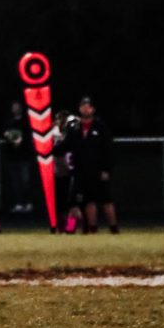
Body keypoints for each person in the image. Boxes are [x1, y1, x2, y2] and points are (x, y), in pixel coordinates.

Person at [57, 97, 119, 234]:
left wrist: (106, 169)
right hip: (79, 171)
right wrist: (47, 149)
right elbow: (64, 146)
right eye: (83, 106)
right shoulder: (74, 129)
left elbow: (108, 149)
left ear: (93, 109)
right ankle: (91, 228)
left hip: (97, 170)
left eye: (88, 106)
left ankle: (114, 228)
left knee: (106, 200)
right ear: (79, 109)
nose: (86, 108)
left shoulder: (100, 127)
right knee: (87, 201)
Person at [3, 101, 34, 212]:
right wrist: (11, 139)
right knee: (15, 183)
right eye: (14, 107)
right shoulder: (9, 122)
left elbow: (29, 136)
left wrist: (20, 141)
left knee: (26, 181)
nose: (16, 109)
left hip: (24, 157)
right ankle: (19, 203)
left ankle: (28, 203)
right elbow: (6, 134)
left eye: (18, 107)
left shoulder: (26, 121)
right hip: (13, 157)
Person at [53, 110, 79, 234]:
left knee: (73, 203)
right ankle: (62, 228)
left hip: (71, 172)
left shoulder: (72, 135)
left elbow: (59, 149)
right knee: (59, 204)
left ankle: (71, 228)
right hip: (59, 172)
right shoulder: (57, 133)